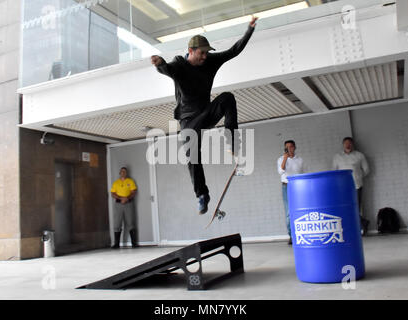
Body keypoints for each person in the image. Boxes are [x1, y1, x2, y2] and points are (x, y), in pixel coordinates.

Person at [151, 17, 258, 215]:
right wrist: (159, 64)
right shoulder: (180, 65)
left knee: (227, 98)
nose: (204, 57)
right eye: (201, 53)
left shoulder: (210, 62)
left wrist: (249, 30)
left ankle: (232, 141)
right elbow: (168, 69)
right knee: (192, 156)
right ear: (190, 51)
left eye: (206, 53)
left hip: (206, 114)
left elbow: (234, 51)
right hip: (188, 121)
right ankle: (202, 195)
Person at [332, 137, 370, 235]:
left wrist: (357, 177)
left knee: (356, 207)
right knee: (345, 208)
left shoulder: (359, 155)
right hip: (342, 187)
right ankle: (363, 223)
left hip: (356, 185)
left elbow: (366, 170)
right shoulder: (337, 157)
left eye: (349, 143)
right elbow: (334, 171)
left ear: (352, 144)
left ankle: (359, 227)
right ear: (343, 144)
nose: (348, 145)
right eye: (346, 143)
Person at [277, 140, 304, 245]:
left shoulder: (300, 160)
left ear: (294, 147)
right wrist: (285, 158)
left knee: (300, 209)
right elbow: (281, 171)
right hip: (286, 186)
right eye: (286, 147)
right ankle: (291, 236)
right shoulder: (280, 159)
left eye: (291, 147)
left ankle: (301, 233)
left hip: (299, 186)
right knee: (289, 213)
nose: (289, 149)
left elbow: (303, 172)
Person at [110, 167, 138, 248]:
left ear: (126, 173)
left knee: (130, 222)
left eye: (125, 171)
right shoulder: (116, 183)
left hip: (128, 203)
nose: (123, 173)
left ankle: (134, 243)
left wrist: (127, 198)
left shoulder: (130, 181)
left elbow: (134, 192)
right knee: (117, 223)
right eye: (122, 171)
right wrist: (121, 198)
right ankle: (116, 244)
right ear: (119, 173)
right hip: (118, 204)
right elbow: (112, 193)